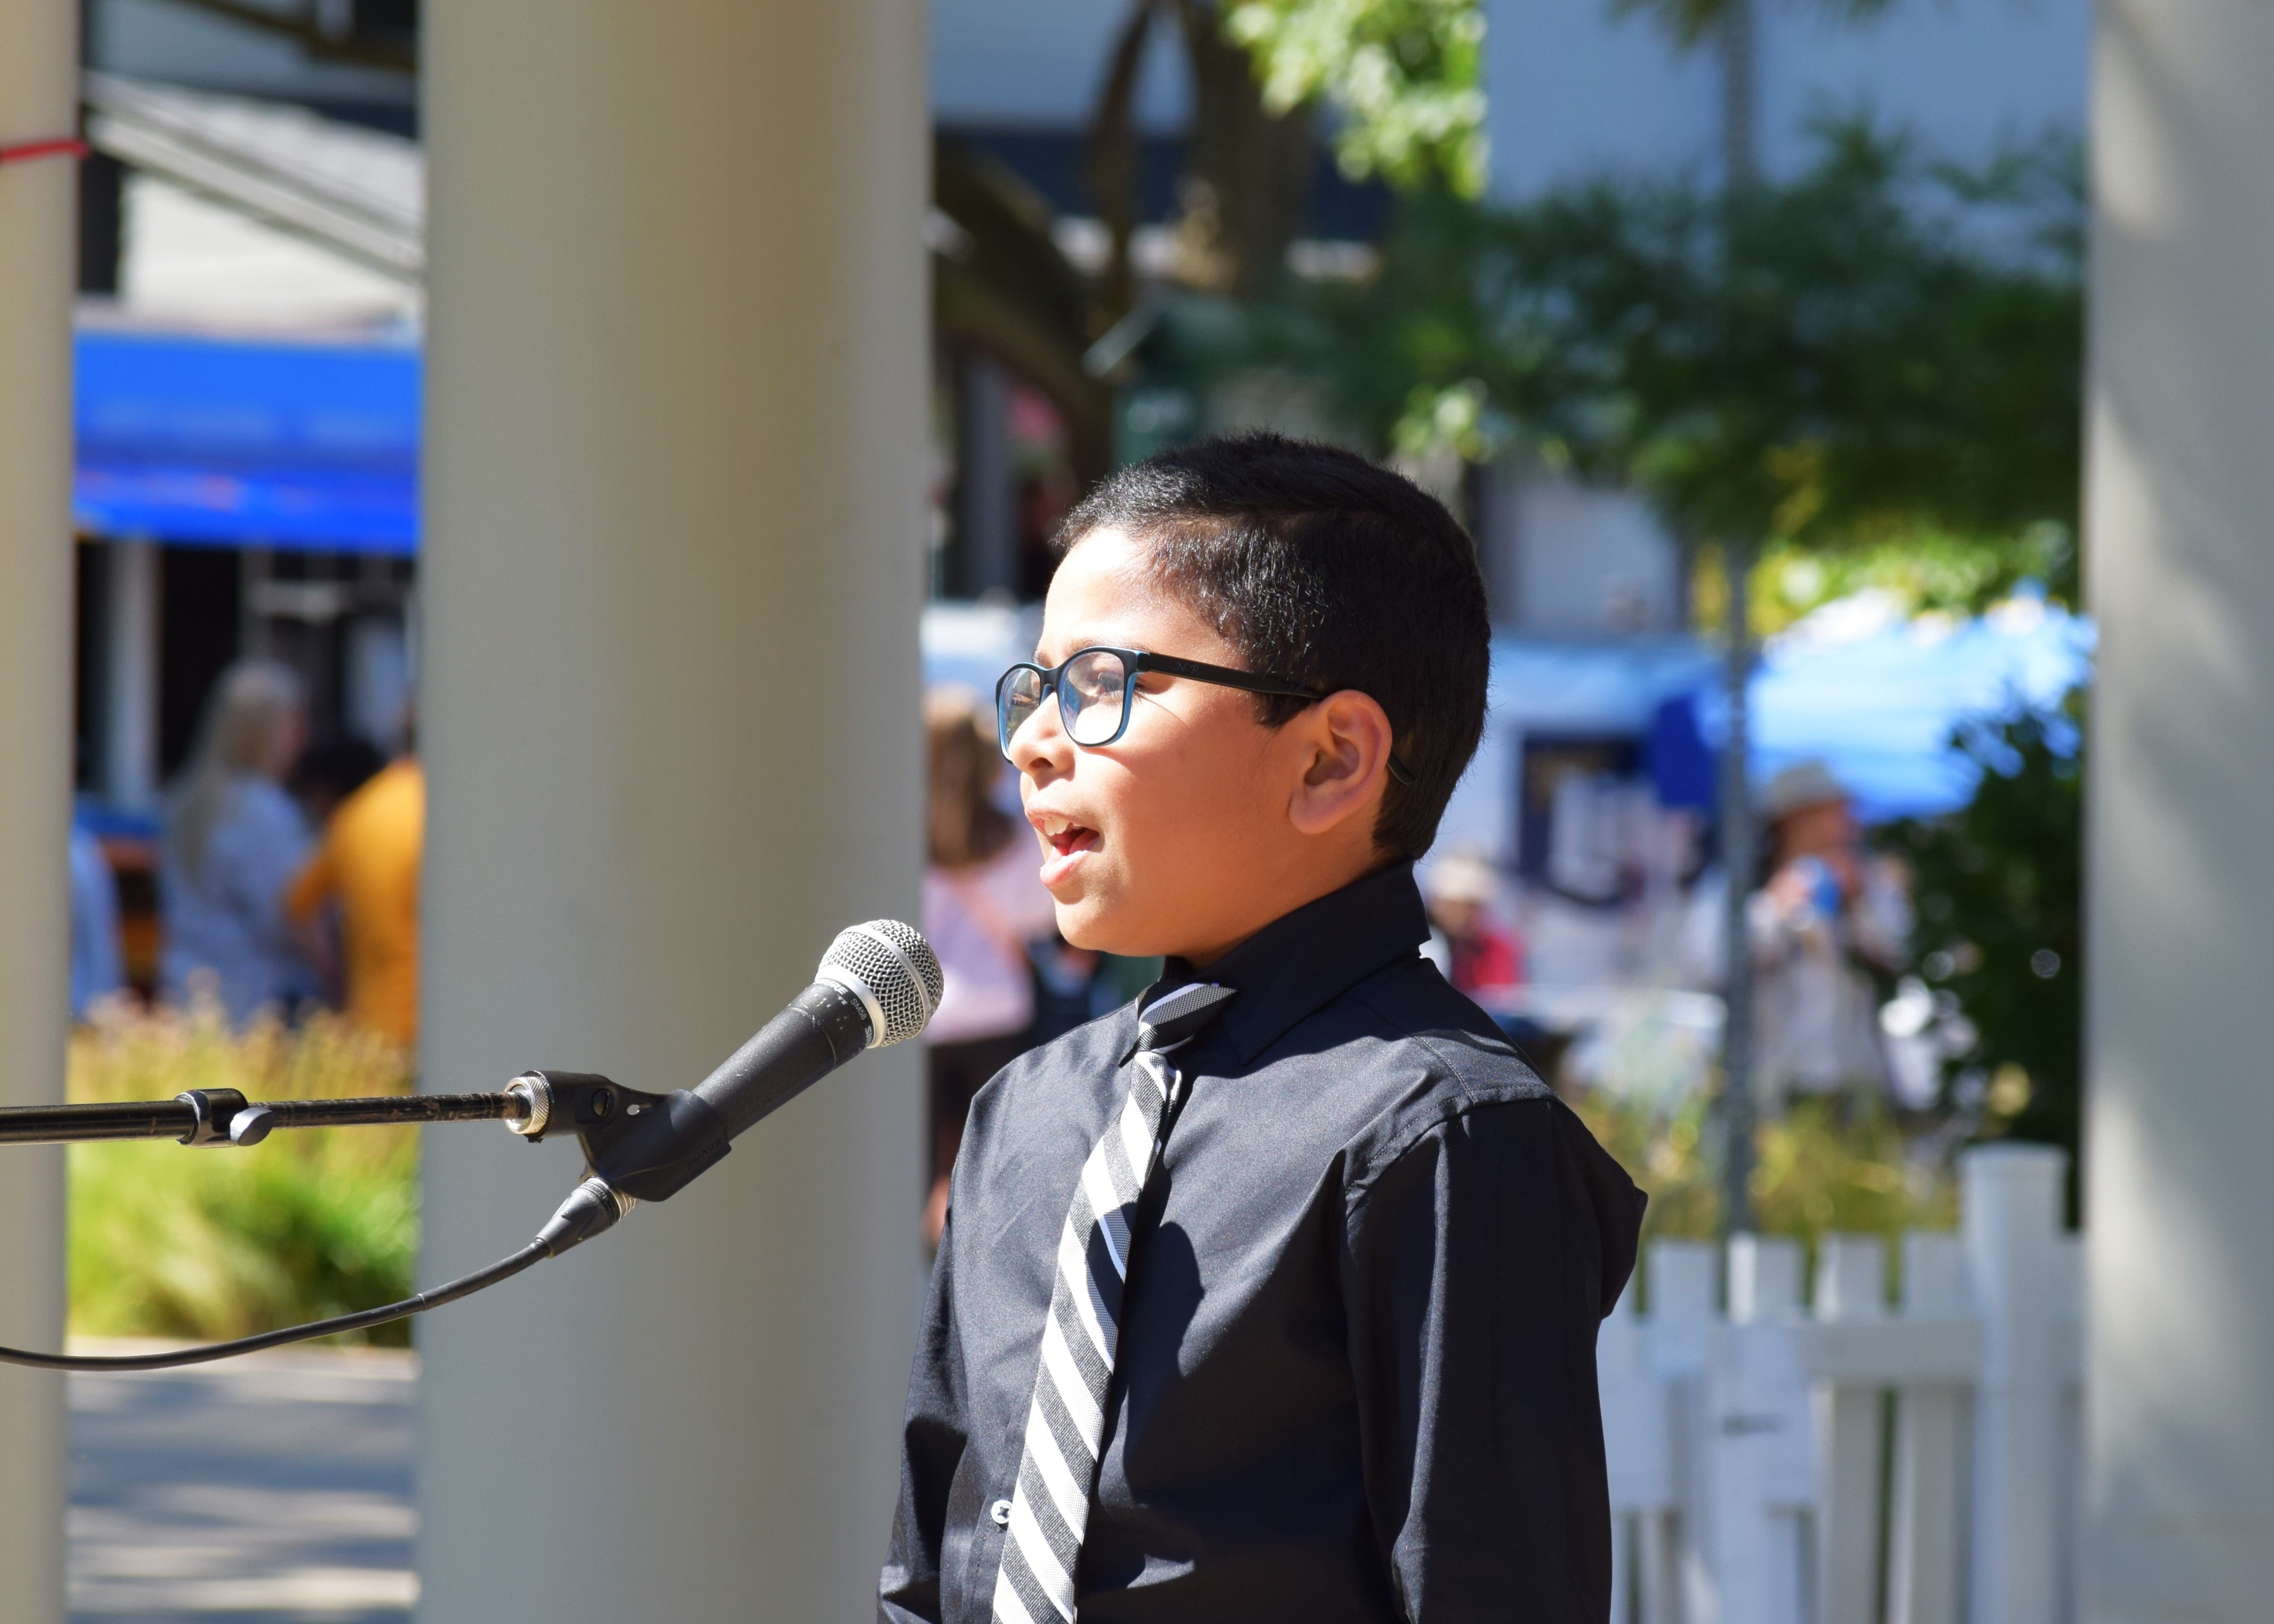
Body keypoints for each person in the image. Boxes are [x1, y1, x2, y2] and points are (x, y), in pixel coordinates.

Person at [882, 433, 1644, 1623]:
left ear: (1331, 758)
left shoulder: (1441, 1135)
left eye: (1098, 683)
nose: (1029, 740)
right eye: (1032, 686)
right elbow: (927, 1571)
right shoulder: (1025, 1114)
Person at [1687, 758, 1911, 1110]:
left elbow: (1902, 953)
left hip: (1854, 1079)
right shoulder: (1736, 886)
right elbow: (1706, 966)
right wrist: (1772, 910)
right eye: (1834, 811)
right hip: (1768, 1085)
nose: (1849, 824)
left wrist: (1860, 904)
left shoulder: (1871, 881)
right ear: (1796, 817)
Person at [922, 688, 1060, 1248]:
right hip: (999, 1014)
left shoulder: (896, 839)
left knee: (923, 1167)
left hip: (923, 1022)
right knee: (983, 1169)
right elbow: (1041, 920)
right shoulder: (1018, 838)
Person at [158, 659, 316, 1023]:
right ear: (267, 730)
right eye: (296, 722)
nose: (304, 736)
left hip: (186, 989)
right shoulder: (261, 809)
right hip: (253, 1002)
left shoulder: (182, 799)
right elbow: (290, 913)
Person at [284, 723, 424, 1049]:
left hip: (373, 1025)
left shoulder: (355, 814)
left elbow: (296, 906)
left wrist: (332, 977)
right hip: (439, 1016)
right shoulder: (441, 809)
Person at [1421, 850, 1524, 1000]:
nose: (1461, 913)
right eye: (1451, 903)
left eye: (1470, 905)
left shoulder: (1496, 949)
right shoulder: (1420, 946)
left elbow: (1506, 1003)